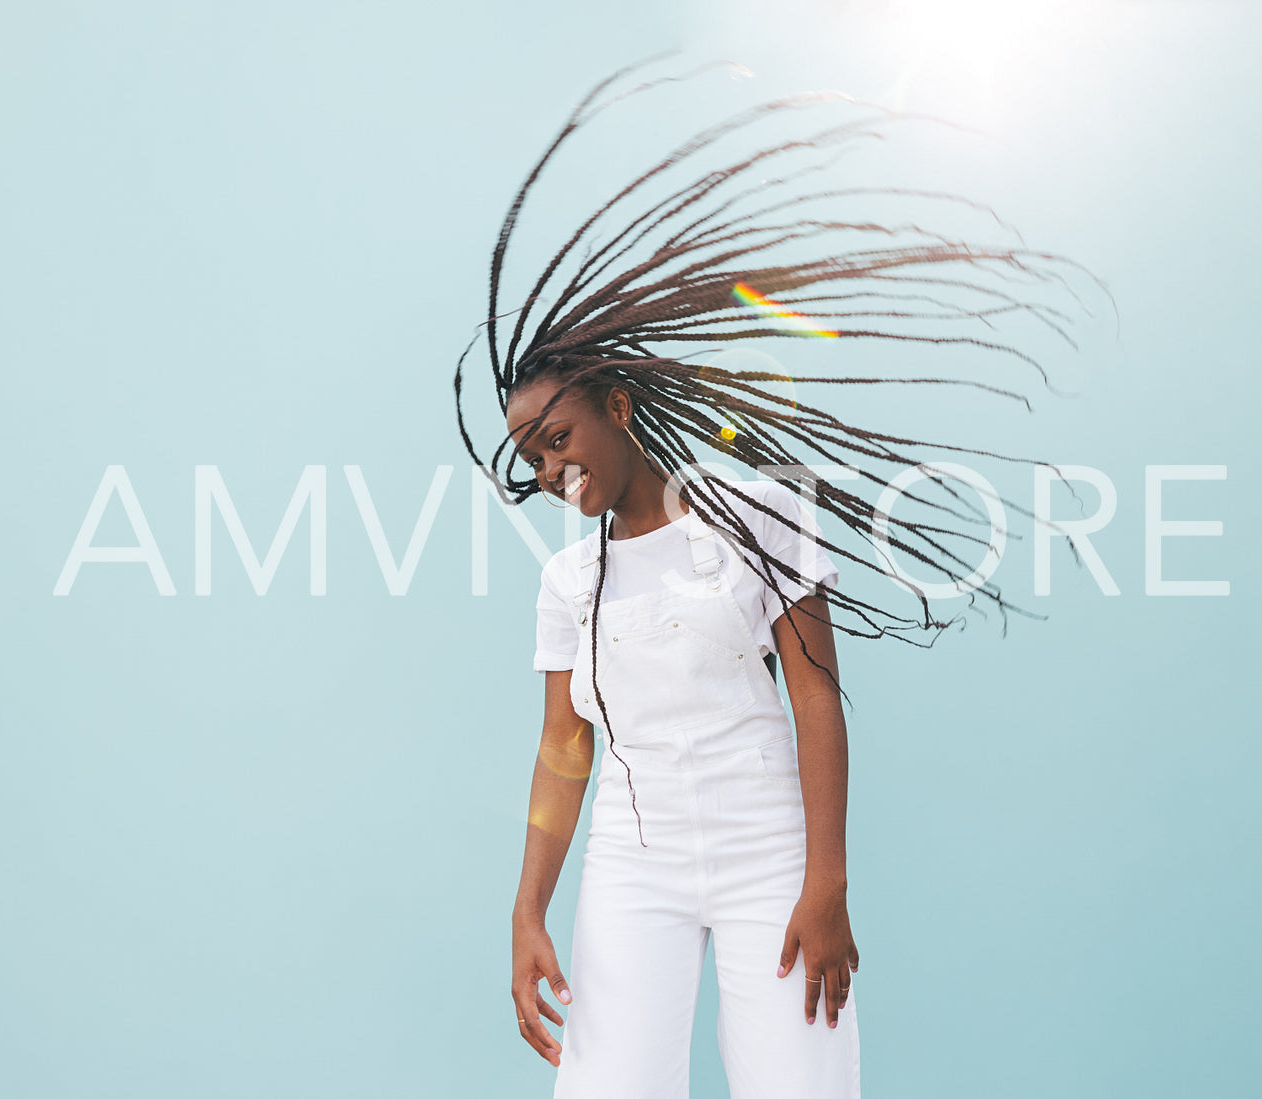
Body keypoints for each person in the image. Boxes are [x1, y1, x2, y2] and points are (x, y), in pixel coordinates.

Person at [453, 59, 1097, 1098]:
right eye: (529, 455)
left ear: (617, 405)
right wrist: (528, 908)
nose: (547, 467)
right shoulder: (568, 586)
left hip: (767, 850)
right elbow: (562, 749)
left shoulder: (764, 517)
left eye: (557, 434)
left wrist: (825, 881)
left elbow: (814, 702)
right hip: (632, 857)